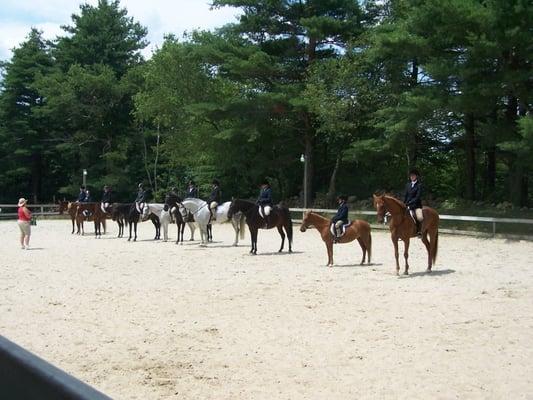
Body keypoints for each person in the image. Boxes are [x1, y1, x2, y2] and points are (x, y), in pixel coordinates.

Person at [404, 168, 423, 235]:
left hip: (416, 206)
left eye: (413, 176)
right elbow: (406, 195)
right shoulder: (408, 185)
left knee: (419, 217)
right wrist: (404, 203)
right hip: (408, 205)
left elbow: (417, 197)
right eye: (411, 176)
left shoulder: (419, 185)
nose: (412, 177)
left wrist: (410, 202)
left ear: (416, 176)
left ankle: (419, 231)